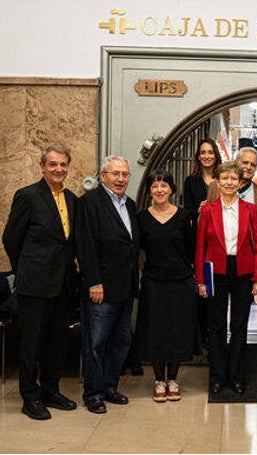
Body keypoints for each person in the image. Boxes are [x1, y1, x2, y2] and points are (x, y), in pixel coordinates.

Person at [2, 144, 78, 420]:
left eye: (63, 165)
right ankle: (29, 397)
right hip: (34, 284)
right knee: (31, 343)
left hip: (63, 283)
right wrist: (25, 269)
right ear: (43, 166)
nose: (58, 169)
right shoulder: (28, 196)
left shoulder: (71, 199)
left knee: (57, 342)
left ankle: (51, 390)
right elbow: (11, 238)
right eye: (53, 165)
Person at [195, 161, 257, 395]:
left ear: (240, 182)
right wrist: (201, 281)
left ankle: (238, 377)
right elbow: (200, 248)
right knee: (216, 325)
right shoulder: (207, 210)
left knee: (239, 325)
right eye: (224, 178)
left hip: (242, 270)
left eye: (233, 179)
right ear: (217, 181)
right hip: (214, 270)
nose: (228, 182)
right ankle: (217, 377)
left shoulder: (250, 210)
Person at [76, 155, 140, 414]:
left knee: (121, 340)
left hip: (125, 287)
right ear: (103, 176)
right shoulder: (90, 202)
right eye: (115, 174)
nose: (121, 179)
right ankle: (92, 393)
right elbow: (85, 245)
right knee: (95, 343)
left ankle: (109, 386)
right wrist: (93, 282)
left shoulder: (131, 204)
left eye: (125, 174)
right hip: (100, 288)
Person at [135, 169, 197, 402]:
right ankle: (159, 381)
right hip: (153, 284)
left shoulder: (183, 217)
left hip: (180, 283)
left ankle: (173, 379)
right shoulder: (141, 219)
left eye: (164, 186)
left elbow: (191, 250)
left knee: (177, 331)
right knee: (156, 332)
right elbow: (136, 251)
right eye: (154, 186)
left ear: (171, 189)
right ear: (150, 190)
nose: (159, 190)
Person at [183, 138, 222, 349]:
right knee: (201, 287)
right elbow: (186, 210)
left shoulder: (222, 178)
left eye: (210, 152)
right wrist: (200, 209)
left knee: (216, 290)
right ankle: (201, 338)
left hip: (219, 240)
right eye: (202, 152)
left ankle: (214, 334)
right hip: (200, 238)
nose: (206, 156)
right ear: (198, 156)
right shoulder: (192, 181)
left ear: (216, 155)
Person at [206, 146, 257, 231]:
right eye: (245, 163)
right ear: (236, 163)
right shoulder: (215, 186)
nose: (248, 167)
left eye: (253, 165)